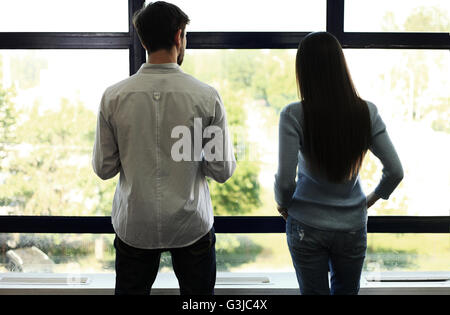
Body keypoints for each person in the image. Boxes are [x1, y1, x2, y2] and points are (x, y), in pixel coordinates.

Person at [92, 1, 236, 295]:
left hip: (136, 222)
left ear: (143, 40)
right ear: (178, 36)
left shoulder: (113, 97)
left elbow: (104, 169)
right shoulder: (206, 97)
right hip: (191, 223)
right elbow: (222, 170)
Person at [274, 32, 403, 295]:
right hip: (352, 225)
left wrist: (283, 203)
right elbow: (395, 171)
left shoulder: (293, 114)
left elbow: (286, 181)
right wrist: (369, 200)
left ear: (304, 70)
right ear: (340, 66)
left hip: (305, 225)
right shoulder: (367, 112)